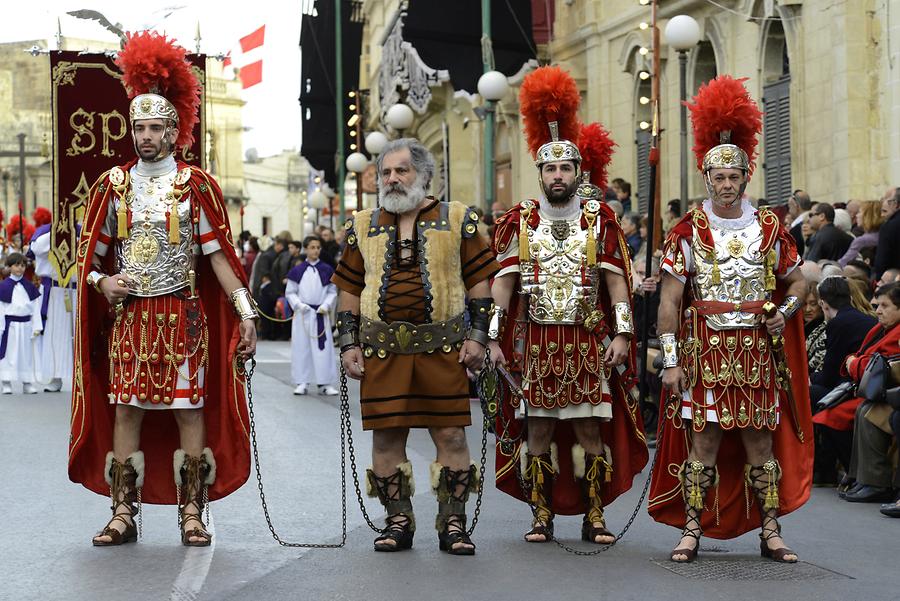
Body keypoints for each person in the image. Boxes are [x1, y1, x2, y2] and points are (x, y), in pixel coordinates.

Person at [69, 31, 257, 547]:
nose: (146, 136)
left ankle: (191, 510)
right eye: (139, 127)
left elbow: (218, 254)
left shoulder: (195, 185)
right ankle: (122, 512)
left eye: (156, 127)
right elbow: (90, 258)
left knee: (187, 408)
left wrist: (246, 311)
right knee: (127, 408)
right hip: (132, 319)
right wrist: (102, 282)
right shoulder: (113, 185)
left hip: (183, 317)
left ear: (175, 130)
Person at [647, 75, 811, 564]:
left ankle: (771, 531)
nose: (725, 185)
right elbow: (670, 303)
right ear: (706, 179)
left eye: (733, 177)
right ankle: (692, 528)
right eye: (717, 178)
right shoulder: (687, 231)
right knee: (704, 442)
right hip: (705, 352)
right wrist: (671, 362)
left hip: (756, 352)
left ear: (745, 178)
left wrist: (785, 312)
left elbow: (800, 283)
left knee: (760, 441)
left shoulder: (769, 228)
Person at [488, 67, 647, 545]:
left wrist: (622, 334)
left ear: (579, 172)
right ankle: (541, 515)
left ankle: (594, 514)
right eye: (550, 169)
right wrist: (493, 337)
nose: (558, 176)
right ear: (539, 173)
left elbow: (617, 285)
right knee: (537, 430)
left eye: (566, 168)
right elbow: (503, 285)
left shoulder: (600, 221)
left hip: (585, 341)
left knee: (588, 431)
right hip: (536, 342)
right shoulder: (521, 220)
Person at [333, 137, 499, 555]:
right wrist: (348, 343)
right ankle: (398, 521)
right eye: (386, 172)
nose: (391, 179)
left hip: (442, 350)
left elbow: (481, 283)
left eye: (401, 171)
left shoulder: (459, 218)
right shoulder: (362, 224)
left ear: (423, 176)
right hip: (381, 353)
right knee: (387, 438)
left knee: (452, 437)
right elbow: (349, 288)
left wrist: (479, 336)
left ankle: (453, 523)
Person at [816, 282, 900, 503]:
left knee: (860, 412)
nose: (878, 310)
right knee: (832, 413)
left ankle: (873, 480)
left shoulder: (896, 332)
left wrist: (855, 364)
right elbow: (859, 360)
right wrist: (855, 363)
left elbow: (878, 365)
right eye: (877, 305)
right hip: (870, 391)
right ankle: (859, 477)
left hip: (884, 394)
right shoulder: (880, 328)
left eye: (885, 305)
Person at [808, 276, 876, 484]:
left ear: (823, 303)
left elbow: (829, 374)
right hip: (860, 382)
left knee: (810, 395)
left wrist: (809, 379)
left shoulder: (838, 323)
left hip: (854, 386)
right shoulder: (861, 318)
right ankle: (824, 468)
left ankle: (826, 467)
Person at [27, 216, 77, 392]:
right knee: (55, 335)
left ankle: (80, 377)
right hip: (56, 290)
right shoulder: (45, 232)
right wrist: (59, 230)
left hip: (78, 290)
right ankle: (55, 377)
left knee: (79, 335)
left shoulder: (81, 229)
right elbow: (37, 248)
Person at [286, 235, 338, 396]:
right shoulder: (297, 270)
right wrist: (299, 305)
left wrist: (326, 305)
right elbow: (290, 292)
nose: (316, 250)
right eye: (313, 247)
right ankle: (302, 382)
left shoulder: (327, 270)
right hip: (303, 315)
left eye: (318, 248)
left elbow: (332, 291)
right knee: (301, 348)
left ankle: (325, 382)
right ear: (306, 249)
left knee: (324, 349)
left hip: (320, 314)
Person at [0, 252, 42, 394]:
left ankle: (27, 382)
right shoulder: (4, 286)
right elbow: (1, 309)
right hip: (10, 325)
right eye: (17, 265)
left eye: (23, 265)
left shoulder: (29, 286)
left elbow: (35, 308)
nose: (20, 268)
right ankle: (6, 382)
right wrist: (1, 327)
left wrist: (37, 326)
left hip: (26, 325)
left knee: (26, 355)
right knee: (9, 354)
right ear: (10, 267)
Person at [838, 200, 882, 268]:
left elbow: (843, 263)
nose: (856, 215)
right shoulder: (884, 234)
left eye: (859, 212)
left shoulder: (862, 240)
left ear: (867, 216)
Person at [874, 187, 900, 281]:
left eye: (887, 199)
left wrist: (879, 281)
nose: (884, 202)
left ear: (896, 205)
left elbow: (882, 259)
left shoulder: (890, 226)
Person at [787, 190, 812, 258]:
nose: (789, 211)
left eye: (789, 206)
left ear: (796, 205)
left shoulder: (796, 229)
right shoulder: (815, 221)